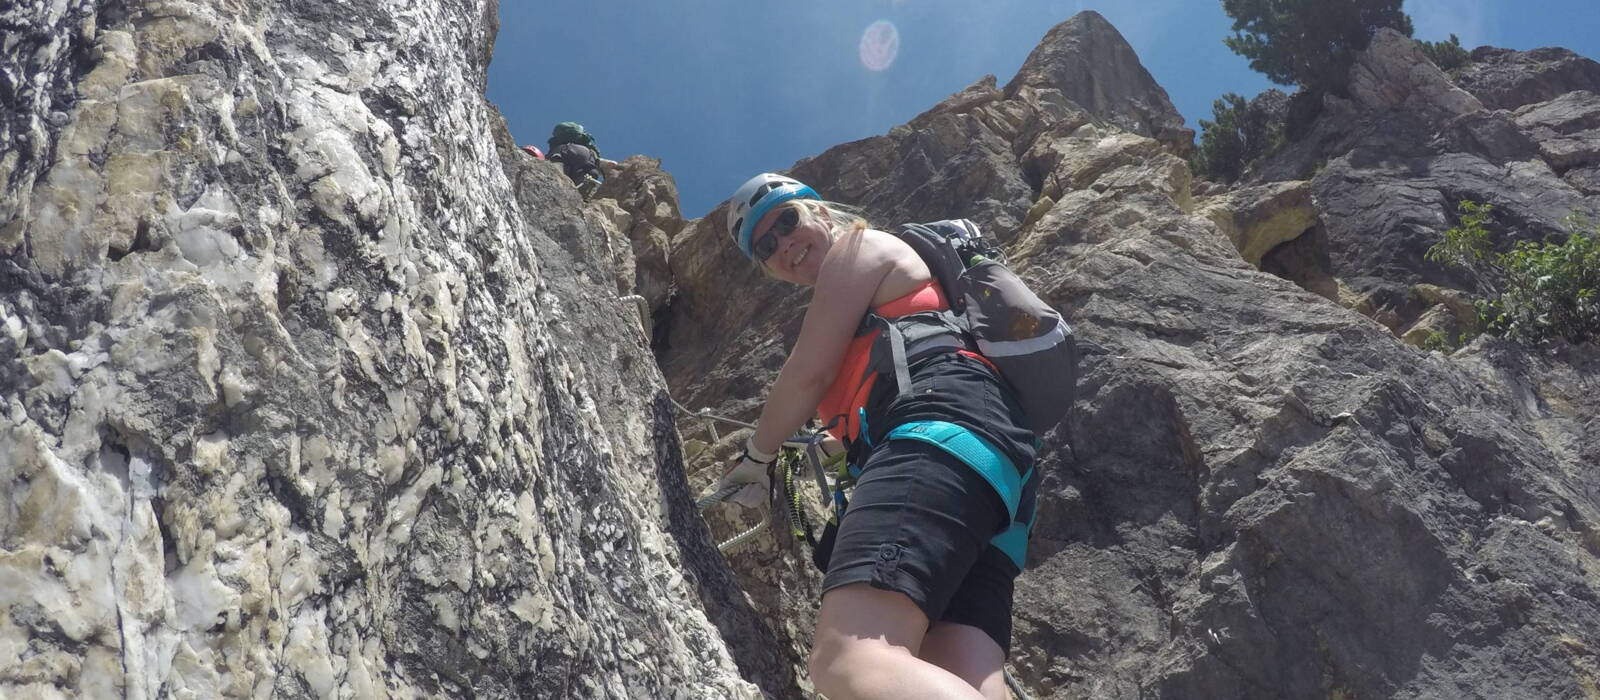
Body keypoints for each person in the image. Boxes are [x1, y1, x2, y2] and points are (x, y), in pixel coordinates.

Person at [715, 173, 1039, 700]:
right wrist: (828, 445)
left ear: (818, 211)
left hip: (938, 439)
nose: (783, 245)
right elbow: (864, 403)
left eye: (787, 221)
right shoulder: (876, 304)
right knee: (960, 676)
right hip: (992, 468)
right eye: (766, 246)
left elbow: (807, 374)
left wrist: (757, 457)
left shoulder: (858, 248)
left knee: (851, 657)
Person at [546, 122, 619, 200]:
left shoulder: (560, 149)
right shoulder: (590, 152)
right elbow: (612, 165)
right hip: (589, 190)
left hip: (567, 193)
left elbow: (555, 168)